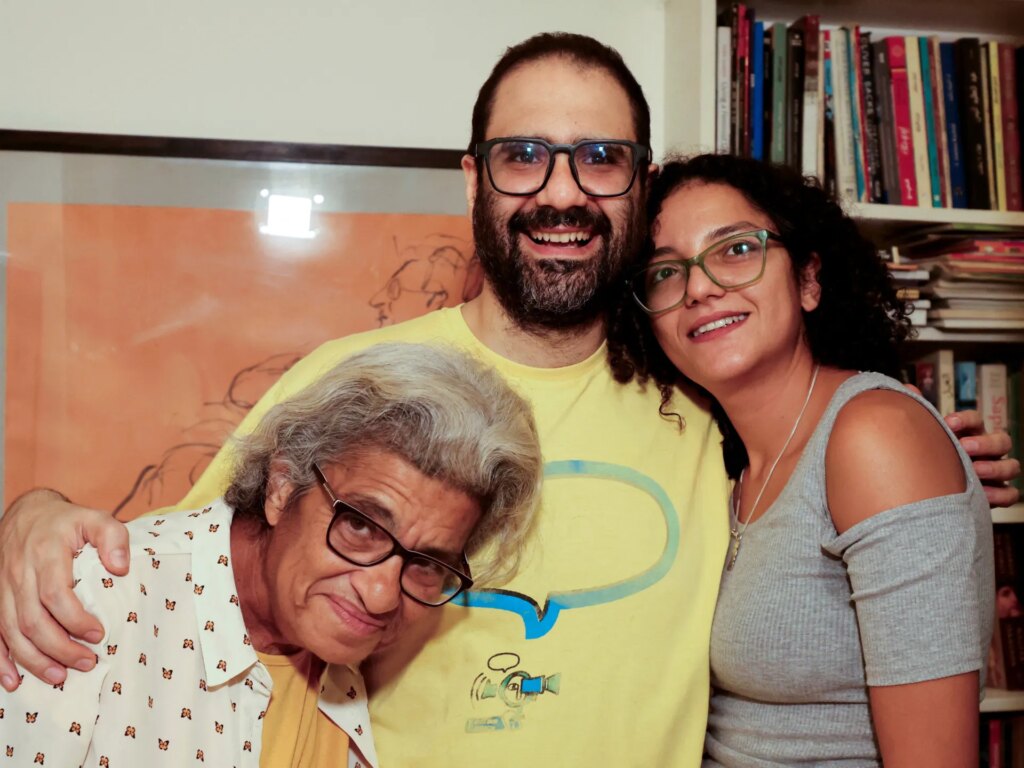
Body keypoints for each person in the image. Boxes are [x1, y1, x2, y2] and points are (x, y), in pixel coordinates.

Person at [0, 33, 1016, 767]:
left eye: (600, 159)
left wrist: (911, 455)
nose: (561, 192)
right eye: (523, 155)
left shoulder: (698, 398)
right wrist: (33, 518)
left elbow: (826, 465)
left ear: (639, 185)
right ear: (473, 180)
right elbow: (187, 579)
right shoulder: (357, 381)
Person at [607, 153, 995, 766]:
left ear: (809, 281)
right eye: (665, 272)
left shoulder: (874, 435)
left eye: (737, 249)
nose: (699, 287)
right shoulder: (721, 465)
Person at [0, 342, 542, 767]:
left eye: (425, 563)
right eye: (360, 526)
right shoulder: (86, 601)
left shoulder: (343, 659)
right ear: (282, 486)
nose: (380, 595)